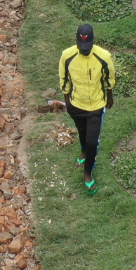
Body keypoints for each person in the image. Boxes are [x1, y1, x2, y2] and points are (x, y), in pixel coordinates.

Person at [58, 24, 116, 192]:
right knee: (82, 132)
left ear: (93, 42)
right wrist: (67, 102)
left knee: (92, 141)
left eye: (87, 47)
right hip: (76, 105)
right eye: (81, 47)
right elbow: (64, 79)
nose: (84, 50)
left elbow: (109, 77)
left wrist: (109, 97)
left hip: (96, 106)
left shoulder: (103, 56)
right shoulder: (67, 56)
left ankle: (87, 172)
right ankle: (83, 152)